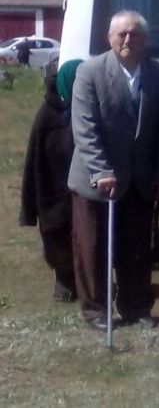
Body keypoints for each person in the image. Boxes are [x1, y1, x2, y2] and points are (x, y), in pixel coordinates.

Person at [68, 11, 159, 331]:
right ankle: (96, 310)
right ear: (109, 38)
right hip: (95, 179)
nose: (128, 39)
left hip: (140, 179)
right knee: (93, 248)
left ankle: (136, 306)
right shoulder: (90, 72)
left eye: (134, 34)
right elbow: (84, 127)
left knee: (137, 248)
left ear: (145, 39)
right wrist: (101, 170)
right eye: (121, 34)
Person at [20, 59, 83, 302]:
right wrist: (29, 209)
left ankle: (90, 283)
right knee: (56, 238)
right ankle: (64, 281)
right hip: (53, 192)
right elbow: (33, 161)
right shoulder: (47, 113)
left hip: (83, 190)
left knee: (87, 238)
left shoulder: (90, 106)